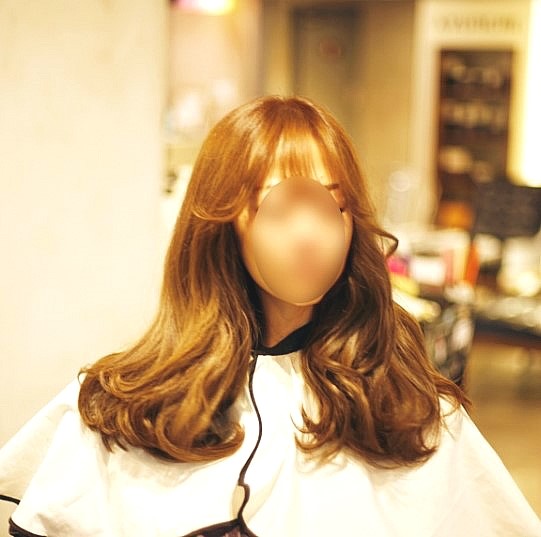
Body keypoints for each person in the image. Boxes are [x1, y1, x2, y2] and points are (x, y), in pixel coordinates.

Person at [0, 95, 539, 537]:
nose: (309, 234)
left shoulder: (404, 406)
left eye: (330, 206)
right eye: (278, 207)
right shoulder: (123, 406)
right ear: (220, 225)